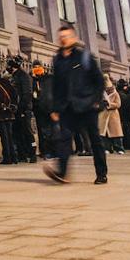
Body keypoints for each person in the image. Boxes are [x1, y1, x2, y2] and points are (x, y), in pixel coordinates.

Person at [44, 25, 107, 185]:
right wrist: (55, 108)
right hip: (67, 107)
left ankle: (101, 173)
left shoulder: (84, 57)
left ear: (74, 38)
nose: (63, 39)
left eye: (67, 36)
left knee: (95, 140)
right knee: (64, 138)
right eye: (61, 36)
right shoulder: (57, 59)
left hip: (87, 106)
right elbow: (57, 86)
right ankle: (62, 173)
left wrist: (95, 100)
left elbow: (99, 81)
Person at [8, 57, 37, 163]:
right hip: (17, 110)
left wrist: (22, 108)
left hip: (24, 109)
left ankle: (32, 153)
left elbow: (27, 93)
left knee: (27, 132)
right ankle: (22, 154)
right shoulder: (15, 76)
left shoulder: (23, 76)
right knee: (18, 133)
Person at [32, 64, 54, 158]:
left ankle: (51, 151)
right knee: (42, 131)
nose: (37, 69)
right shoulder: (34, 80)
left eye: (39, 67)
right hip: (39, 109)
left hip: (50, 108)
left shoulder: (49, 79)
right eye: (35, 67)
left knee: (50, 131)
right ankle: (44, 151)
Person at [98, 75, 124, 154]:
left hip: (113, 115)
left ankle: (119, 148)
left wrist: (109, 104)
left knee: (116, 133)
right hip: (103, 115)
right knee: (104, 133)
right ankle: (107, 148)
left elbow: (118, 104)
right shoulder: (99, 92)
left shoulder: (115, 92)